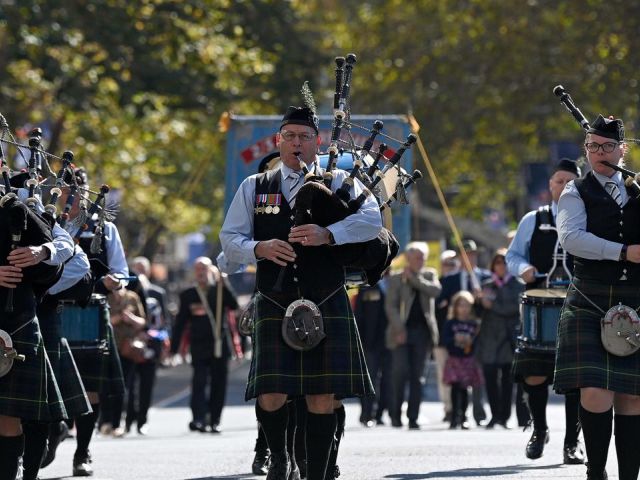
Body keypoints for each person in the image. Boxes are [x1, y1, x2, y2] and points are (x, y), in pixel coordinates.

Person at [220, 103, 381, 480]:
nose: (296, 143)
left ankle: (318, 471)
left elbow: (372, 219)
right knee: (271, 393)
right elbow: (229, 239)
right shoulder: (255, 187)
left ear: (316, 142)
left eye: (304, 137)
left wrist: (330, 235)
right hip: (274, 299)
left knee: (322, 397)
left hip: (325, 298)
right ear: (278, 142)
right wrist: (257, 249)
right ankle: (279, 458)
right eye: (289, 137)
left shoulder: (338, 181)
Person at [555, 115, 640, 480]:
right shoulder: (575, 191)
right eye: (592, 147)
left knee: (633, 397)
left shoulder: (639, 190)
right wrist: (623, 252)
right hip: (590, 298)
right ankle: (597, 471)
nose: (599, 153)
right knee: (594, 391)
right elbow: (571, 239)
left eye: (606, 146)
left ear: (623, 149)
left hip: (636, 298)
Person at [506, 158, 584, 464]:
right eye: (558, 181)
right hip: (538, 306)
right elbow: (513, 256)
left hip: (578, 305)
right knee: (534, 374)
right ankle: (539, 429)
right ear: (549, 185)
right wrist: (523, 268)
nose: (563, 186)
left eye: (569, 181)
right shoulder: (533, 219)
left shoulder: (587, 219)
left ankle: (572, 443)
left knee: (577, 378)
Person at [55, 167, 128, 477]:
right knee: (50, 384)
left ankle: (82, 451)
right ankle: (47, 435)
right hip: (52, 311)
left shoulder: (104, 229)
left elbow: (122, 272)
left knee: (90, 390)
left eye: (76, 193)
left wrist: (115, 282)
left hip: (89, 311)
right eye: (65, 193)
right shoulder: (47, 222)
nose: (71, 199)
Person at [0, 194, 67, 480]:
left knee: (11, 416)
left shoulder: (18, 209)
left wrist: (43, 252)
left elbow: (59, 260)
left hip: (14, 322)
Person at [171, 257, 239, 434]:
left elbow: (234, 305)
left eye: (204, 269)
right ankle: (199, 418)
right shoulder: (189, 294)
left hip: (219, 344)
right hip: (199, 345)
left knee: (219, 383)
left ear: (210, 271)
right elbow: (180, 323)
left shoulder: (219, 290)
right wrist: (174, 349)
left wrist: (225, 284)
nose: (201, 272)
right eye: (198, 269)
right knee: (199, 382)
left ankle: (215, 419)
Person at [384, 241, 441, 429]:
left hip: (423, 333)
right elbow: (390, 306)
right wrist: (399, 329)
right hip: (402, 333)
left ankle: (413, 417)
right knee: (399, 374)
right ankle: (395, 415)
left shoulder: (429, 275)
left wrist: (415, 279)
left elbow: (435, 291)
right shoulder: (396, 279)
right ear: (408, 259)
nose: (420, 261)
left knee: (418, 377)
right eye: (417, 257)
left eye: (422, 257)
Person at [437, 239, 490, 425]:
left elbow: (489, 306)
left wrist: (481, 299)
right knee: (456, 380)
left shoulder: (485, 278)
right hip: (456, 336)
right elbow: (439, 305)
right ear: (460, 257)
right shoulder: (449, 279)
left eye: (473, 254)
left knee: (476, 375)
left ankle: (479, 413)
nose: (470, 257)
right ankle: (456, 414)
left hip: (478, 334)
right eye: (466, 254)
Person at [475, 249, 523, 429]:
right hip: (489, 340)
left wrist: (491, 304)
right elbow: (478, 313)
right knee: (489, 378)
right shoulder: (487, 285)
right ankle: (494, 415)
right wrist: (478, 301)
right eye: (497, 263)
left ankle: (504, 416)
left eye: (503, 263)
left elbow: (511, 309)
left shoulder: (518, 285)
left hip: (508, 340)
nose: (500, 266)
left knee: (507, 381)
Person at [442, 291, 484, 429]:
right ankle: (454, 417)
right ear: (455, 307)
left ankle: (464, 417)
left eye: (467, 305)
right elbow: (444, 340)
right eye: (460, 305)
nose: (463, 308)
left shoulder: (473, 325)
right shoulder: (450, 323)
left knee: (466, 390)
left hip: (468, 360)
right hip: (454, 360)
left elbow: (477, 341)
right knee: (454, 388)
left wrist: (470, 343)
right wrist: (455, 339)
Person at [354, 279, 391, 427]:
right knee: (369, 379)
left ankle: (380, 414)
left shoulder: (395, 283)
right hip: (370, 341)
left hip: (390, 340)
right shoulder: (366, 287)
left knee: (387, 380)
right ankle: (366, 413)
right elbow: (359, 314)